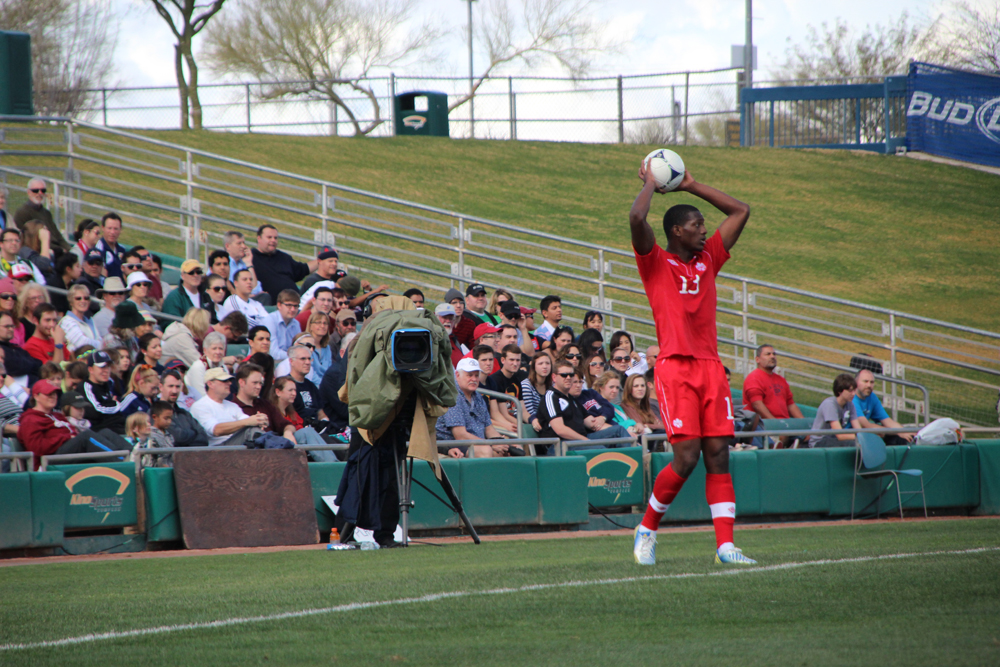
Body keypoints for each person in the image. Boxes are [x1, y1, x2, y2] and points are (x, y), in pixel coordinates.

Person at [629, 160, 754, 566]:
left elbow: (741, 211)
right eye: (698, 225)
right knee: (686, 458)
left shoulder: (709, 260)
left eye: (704, 224)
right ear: (677, 232)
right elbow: (636, 216)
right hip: (675, 368)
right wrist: (651, 182)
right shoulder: (654, 262)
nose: (705, 229)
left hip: (710, 368)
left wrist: (692, 185)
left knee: (719, 454)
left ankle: (725, 547)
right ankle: (646, 529)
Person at [18, 380, 132, 469]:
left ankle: (134, 456)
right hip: (49, 460)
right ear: (36, 396)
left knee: (104, 432)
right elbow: (36, 448)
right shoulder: (30, 419)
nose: (53, 396)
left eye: (55, 393)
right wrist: (66, 437)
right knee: (86, 437)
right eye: (48, 394)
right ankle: (123, 461)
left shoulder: (57, 416)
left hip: (70, 453)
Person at [536, 360, 630, 449]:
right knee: (600, 449)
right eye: (564, 375)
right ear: (554, 377)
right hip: (560, 445)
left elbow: (591, 423)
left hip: (581, 440)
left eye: (571, 375)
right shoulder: (551, 397)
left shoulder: (572, 399)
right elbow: (560, 430)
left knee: (619, 431)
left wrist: (603, 419)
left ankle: (639, 458)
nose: (568, 377)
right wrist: (586, 441)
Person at [436, 358, 506, 459]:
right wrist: (490, 444)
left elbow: (489, 429)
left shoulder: (478, 397)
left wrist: (502, 443)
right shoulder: (452, 396)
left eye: (476, 375)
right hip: (453, 444)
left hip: (477, 443)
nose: (474, 379)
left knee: (506, 450)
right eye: (469, 375)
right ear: (457, 375)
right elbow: (460, 435)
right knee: (485, 451)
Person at [190, 367, 269, 446]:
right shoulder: (200, 406)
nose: (230, 383)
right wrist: (248, 421)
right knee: (252, 431)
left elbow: (247, 420)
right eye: (224, 381)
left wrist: (259, 420)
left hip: (235, 446)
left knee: (255, 430)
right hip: (215, 450)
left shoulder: (233, 405)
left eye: (229, 380)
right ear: (210, 384)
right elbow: (216, 430)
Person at [251, 224, 318, 303]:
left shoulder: (283, 257)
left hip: (295, 303)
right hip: (270, 306)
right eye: (269, 237)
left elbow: (302, 269)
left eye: (275, 238)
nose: (273, 240)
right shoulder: (251, 258)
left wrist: (322, 260)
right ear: (259, 238)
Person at [80, 351, 139, 435]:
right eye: (102, 367)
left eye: (108, 366)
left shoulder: (108, 384)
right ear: (91, 369)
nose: (106, 370)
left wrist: (112, 405)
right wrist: (115, 405)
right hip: (99, 431)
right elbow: (96, 410)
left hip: (115, 426)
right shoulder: (87, 386)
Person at [231, 363, 296, 439]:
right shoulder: (232, 406)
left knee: (306, 432)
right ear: (241, 382)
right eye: (255, 383)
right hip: (251, 448)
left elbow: (287, 425)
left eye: (260, 383)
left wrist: (288, 432)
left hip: (275, 444)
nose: (259, 387)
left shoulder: (265, 404)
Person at [853, 369, 915, 445]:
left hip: (865, 436)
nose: (869, 385)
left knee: (904, 439)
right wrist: (897, 432)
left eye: (871, 382)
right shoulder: (852, 399)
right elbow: (866, 425)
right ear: (856, 383)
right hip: (850, 438)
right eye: (865, 381)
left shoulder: (872, 397)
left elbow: (887, 421)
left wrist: (905, 432)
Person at [13, 178, 72, 251]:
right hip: (41, 251)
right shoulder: (22, 213)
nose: (40, 193)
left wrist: (69, 249)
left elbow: (57, 235)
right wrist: (59, 250)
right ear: (29, 192)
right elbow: (29, 240)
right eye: (35, 191)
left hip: (55, 249)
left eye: (43, 190)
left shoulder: (46, 213)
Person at [158, 369, 210, 448]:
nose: (174, 391)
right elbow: (178, 438)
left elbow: (204, 438)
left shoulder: (185, 414)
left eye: (177, 387)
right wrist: (194, 433)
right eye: (170, 386)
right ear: (161, 387)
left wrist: (185, 436)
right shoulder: (155, 413)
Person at [809, 373, 863, 448]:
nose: (853, 394)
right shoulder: (829, 404)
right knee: (853, 444)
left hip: (834, 440)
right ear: (840, 391)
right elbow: (840, 435)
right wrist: (861, 438)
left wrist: (864, 437)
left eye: (854, 390)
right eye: (850, 391)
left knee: (862, 444)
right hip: (819, 442)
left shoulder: (850, 405)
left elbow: (858, 430)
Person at [577, 371, 639, 436]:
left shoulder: (618, 407)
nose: (615, 390)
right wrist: (631, 423)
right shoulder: (595, 404)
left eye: (617, 387)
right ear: (601, 387)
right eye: (611, 387)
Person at [484, 344, 527, 435]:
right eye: (511, 360)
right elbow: (503, 414)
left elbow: (523, 410)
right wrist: (522, 426)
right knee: (523, 433)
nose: (515, 364)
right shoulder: (496, 380)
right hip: (498, 423)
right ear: (503, 360)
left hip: (510, 420)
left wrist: (533, 421)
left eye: (518, 360)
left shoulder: (516, 380)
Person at [286, 344, 328, 429]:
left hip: (317, 428)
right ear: (291, 361)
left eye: (309, 359)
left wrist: (325, 423)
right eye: (303, 359)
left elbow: (320, 413)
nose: (308, 362)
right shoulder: (285, 385)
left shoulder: (311, 386)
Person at [185, 331, 236, 399]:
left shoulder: (223, 367)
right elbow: (200, 395)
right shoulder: (198, 366)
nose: (218, 352)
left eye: (220, 348)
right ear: (205, 350)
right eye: (214, 348)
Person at [59, 284, 101, 354]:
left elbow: (101, 343)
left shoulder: (91, 321)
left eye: (86, 298)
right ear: (71, 301)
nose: (83, 301)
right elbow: (82, 343)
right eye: (78, 298)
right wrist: (99, 344)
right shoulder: (66, 321)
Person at [0, 311, 41, 381]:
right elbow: (14, 367)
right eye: (7, 326)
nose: (11, 329)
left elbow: (39, 365)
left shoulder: (17, 349)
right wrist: (31, 365)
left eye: (12, 326)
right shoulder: (1, 350)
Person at [263, 289, 301, 361]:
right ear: (279, 305)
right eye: (289, 305)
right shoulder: (269, 320)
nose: (293, 309)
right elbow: (273, 353)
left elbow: (299, 349)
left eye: (295, 306)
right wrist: (296, 356)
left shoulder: (296, 324)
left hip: (289, 362)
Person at [520, 351, 552, 431]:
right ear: (534, 367)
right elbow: (528, 410)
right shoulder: (526, 385)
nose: (545, 366)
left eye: (547, 363)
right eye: (540, 364)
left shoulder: (553, 385)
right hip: (530, 422)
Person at [94, 213, 127, 280]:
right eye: (109, 228)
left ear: (120, 229)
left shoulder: (122, 249)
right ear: (103, 228)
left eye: (116, 229)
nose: (112, 232)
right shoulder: (98, 249)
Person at [304, 310, 332, 384]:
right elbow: (310, 373)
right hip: (313, 384)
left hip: (326, 385)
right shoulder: (306, 346)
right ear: (310, 326)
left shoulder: (327, 348)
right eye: (318, 322)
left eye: (325, 323)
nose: (322, 326)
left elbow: (329, 371)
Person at [434, 302, 464, 367]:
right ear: (436, 318)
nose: (448, 321)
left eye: (451, 318)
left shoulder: (454, 340)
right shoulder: (433, 339)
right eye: (444, 317)